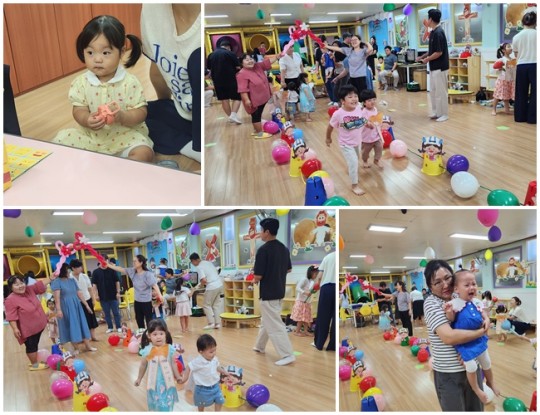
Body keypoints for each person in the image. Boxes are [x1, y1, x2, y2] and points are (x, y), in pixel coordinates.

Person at [53, 15, 154, 161]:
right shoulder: (81, 82)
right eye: (90, 52)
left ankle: (118, 168)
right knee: (59, 141)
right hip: (91, 138)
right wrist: (86, 119)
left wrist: (124, 117)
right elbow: (78, 109)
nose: (97, 59)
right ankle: (96, 165)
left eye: (106, 53)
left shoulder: (130, 82)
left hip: (124, 136)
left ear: (122, 52)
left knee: (144, 153)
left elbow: (141, 112)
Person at [423, 259, 488, 411]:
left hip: (472, 367)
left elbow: (481, 314)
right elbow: (449, 337)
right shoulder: (431, 303)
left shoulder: (460, 295)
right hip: (448, 373)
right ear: (430, 287)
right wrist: (481, 332)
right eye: (438, 282)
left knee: (477, 409)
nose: (445, 285)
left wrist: (486, 320)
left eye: (447, 278)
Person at [141, 4, 202, 161]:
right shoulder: (151, 8)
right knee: (135, 113)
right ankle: (190, 146)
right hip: (183, 112)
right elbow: (157, 67)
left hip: (202, 118)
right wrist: (163, 107)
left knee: (197, 59)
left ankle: (197, 146)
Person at [444, 270, 500, 403]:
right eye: (467, 285)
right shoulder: (454, 303)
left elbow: (484, 314)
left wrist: (487, 319)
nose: (472, 287)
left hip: (478, 339)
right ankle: (476, 389)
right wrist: (449, 312)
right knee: (472, 367)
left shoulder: (477, 302)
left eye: (474, 284)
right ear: (456, 289)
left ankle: (491, 382)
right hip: (464, 342)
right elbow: (451, 319)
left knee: (486, 362)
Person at [252, 218, 296, 365]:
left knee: (275, 325)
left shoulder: (263, 250)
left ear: (267, 232)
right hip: (279, 291)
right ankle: (259, 346)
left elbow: (258, 276)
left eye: (261, 230)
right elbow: (288, 269)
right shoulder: (284, 249)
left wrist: (254, 279)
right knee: (267, 321)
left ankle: (287, 355)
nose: (260, 233)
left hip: (268, 293)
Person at [5, 274, 53, 370]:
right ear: (11, 287)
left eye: (21, 283)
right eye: (16, 284)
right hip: (28, 329)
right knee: (31, 345)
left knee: (35, 343)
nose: (20, 286)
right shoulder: (10, 300)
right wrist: (15, 329)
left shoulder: (29, 289)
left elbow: (39, 285)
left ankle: (34, 360)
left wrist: (51, 278)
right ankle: (34, 365)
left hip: (38, 325)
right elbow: (11, 316)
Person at [326, 84, 367, 196]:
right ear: (342, 101)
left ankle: (351, 170)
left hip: (357, 141)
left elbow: (363, 119)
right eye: (350, 97)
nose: (354, 99)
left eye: (355, 96)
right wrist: (328, 138)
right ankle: (355, 186)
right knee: (354, 163)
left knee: (355, 160)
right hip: (346, 144)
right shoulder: (338, 114)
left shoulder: (358, 107)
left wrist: (369, 123)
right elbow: (330, 127)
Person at [134, 319, 182, 411]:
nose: (158, 337)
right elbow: (143, 365)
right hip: (154, 383)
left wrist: (178, 376)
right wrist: (139, 378)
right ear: (149, 336)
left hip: (167, 382)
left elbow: (173, 363)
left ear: (165, 334)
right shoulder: (147, 350)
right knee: (157, 405)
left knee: (166, 405)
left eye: (161, 333)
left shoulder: (170, 349)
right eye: (155, 334)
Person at [107, 255, 162, 332]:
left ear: (141, 262)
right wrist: (108, 265)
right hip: (137, 300)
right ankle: (142, 333)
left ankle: (150, 333)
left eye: (135, 261)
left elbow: (154, 285)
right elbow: (121, 269)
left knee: (149, 320)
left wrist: (160, 295)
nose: (133, 263)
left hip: (146, 301)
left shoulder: (147, 274)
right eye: (133, 261)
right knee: (139, 319)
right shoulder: (132, 271)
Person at [51, 263, 97, 353]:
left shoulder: (72, 280)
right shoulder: (57, 282)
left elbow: (79, 293)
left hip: (76, 305)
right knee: (71, 326)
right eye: (67, 269)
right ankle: (76, 348)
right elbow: (57, 298)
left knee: (82, 324)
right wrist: (59, 310)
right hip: (65, 307)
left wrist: (86, 305)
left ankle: (88, 346)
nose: (69, 271)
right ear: (62, 271)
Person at [179, 334, 228, 411]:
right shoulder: (198, 361)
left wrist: (224, 371)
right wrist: (185, 378)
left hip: (215, 386)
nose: (214, 353)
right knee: (201, 404)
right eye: (211, 352)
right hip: (202, 389)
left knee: (220, 400)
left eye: (215, 350)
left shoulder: (214, 358)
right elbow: (188, 367)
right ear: (201, 352)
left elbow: (217, 367)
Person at [417, 8, 449, 122]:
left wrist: (427, 59)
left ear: (430, 19)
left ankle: (444, 114)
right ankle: (436, 112)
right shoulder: (433, 32)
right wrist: (422, 56)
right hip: (434, 67)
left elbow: (439, 52)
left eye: (428, 18)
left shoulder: (439, 33)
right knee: (433, 91)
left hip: (440, 68)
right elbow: (432, 50)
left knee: (441, 92)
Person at [236, 52, 281, 134]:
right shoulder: (241, 74)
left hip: (263, 97)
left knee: (258, 114)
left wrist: (277, 57)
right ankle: (259, 133)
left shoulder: (257, 66)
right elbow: (243, 89)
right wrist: (247, 100)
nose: (250, 61)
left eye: (251, 59)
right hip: (254, 100)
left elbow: (267, 63)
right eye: (247, 60)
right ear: (242, 63)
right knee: (256, 115)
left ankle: (257, 130)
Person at [207, 39, 242, 125]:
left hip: (217, 81)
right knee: (237, 97)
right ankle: (233, 115)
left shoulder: (211, 55)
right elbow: (238, 67)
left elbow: (209, 69)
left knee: (224, 99)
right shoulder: (230, 53)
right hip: (231, 79)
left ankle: (230, 117)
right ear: (228, 47)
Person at [512, 11, 536, 124]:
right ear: (535, 22)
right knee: (536, 92)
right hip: (535, 65)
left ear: (522, 22)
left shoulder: (516, 36)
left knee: (521, 92)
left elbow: (516, 54)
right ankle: (533, 118)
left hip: (521, 65)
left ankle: (520, 117)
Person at [189, 253, 224, 330]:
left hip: (212, 286)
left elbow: (204, 280)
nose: (192, 264)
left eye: (192, 262)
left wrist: (197, 287)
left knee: (206, 305)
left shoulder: (199, 267)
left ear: (195, 260)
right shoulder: (208, 262)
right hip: (220, 285)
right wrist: (198, 286)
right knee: (215, 305)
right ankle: (217, 323)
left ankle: (211, 323)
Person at [91, 254, 122, 334]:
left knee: (116, 312)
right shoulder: (96, 272)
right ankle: (110, 327)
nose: (103, 261)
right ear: (99, 261)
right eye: (101, 260)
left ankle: (119, 326)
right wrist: (96, 295)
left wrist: (118, 292)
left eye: (105, 260)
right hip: (103, 297)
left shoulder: (112, 270)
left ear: (107, 260)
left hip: (113, 295)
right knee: (107, 313)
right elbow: (94, 285)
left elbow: (117, 282)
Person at [70, 259, 98, 341]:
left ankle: (93, 336)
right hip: (77, 302)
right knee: (81, 320)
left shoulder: (85, 276)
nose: (81, 268)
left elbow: (90, 289)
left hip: (87, 299)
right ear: (73, 268)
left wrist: (93, 299)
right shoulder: (70, 278)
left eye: (81, 266)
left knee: (91, 318)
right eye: (78, 267)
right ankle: (84, 338)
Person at [313, 251, 336, 351]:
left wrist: (317, 284)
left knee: (323, 316)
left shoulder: (327, 257)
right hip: (337, 288)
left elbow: (320, 276)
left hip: (326, 287)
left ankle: (319, 343)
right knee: (335, 318)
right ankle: (333, 345)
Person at [359, 89, 383, 169]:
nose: (372, 102)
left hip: (376, 135)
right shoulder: (363, 112)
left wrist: (380, 123)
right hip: (366, 138)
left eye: (374, 99)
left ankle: (376, 160)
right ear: (364, 103)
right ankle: (365, 161)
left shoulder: (375, 109)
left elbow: (377, 119)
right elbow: (363, 121)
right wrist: (368, 124)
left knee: (379, 147)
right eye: (369, 100)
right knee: (365, 152)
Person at [291, 265, 317, 336]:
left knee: (306, 318)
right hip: (301, 302)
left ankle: (305, 331)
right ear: (310, 272)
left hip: (307, 302)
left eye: (316, 274)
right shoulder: (304, 279)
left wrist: (313, 291)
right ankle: (297, 332)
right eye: (315, 273)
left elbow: (310, 291)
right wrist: (305, 292)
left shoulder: (311, 281)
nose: (316, 275)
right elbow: (297, 288)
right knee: (300, 318)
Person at [492, 43, 516, 116]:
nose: (511, 48)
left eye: (510, 47)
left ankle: (507, 110)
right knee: (497, 96)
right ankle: (493, 109)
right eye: (508, 47)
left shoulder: (512, 59)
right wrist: (500, 68)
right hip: (502, 80)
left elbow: (513, 70)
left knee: (507, 96)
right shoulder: (501, 59)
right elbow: (495, 69)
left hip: (509, 80)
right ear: (503, 50)